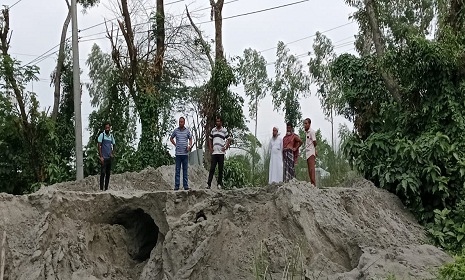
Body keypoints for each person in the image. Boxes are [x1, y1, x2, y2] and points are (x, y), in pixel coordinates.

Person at [207, 116, 231, 189]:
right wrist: (211, 148)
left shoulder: (224, 130)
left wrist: (226, 147)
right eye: (216, 121)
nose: (217, 123)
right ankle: (209, 184)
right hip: (214, 153)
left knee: (220, 169)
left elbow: (229, 139)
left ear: (221, 122)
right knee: (212, 169)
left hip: (221, 153)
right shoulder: (213, 130)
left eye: (218, 121)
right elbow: (210, 139)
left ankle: (219, 184)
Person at [170, 117, 193, 191]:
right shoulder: (176, 131)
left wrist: (189, 145)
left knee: (185, 170)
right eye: (179, 122)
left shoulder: (187, 131)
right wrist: (175, 144)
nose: (180, 123)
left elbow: (190, 138)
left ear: (184, 122)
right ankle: (177, 186)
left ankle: (185, 186)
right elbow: (171, 138)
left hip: (185, 154)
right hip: (178, 154)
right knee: (177, 170)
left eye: (182, 122)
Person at [98, 122, 116, 191]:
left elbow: (114, 145)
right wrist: (101, 156)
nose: (107, 129)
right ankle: (101, 189)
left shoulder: (111, 136)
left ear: (110, 128)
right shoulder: (102, 135)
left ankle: (106, 189)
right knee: (103, 173)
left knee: (108, 174)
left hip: (109, 158)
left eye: (108, 128)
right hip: (104, 158)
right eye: (106, 128)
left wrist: (112, 153)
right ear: (104, 128)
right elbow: (99, 146)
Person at [304, 118, 317, 186]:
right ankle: (311, 183)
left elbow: (314, 142)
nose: (305, 125)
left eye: (306, 123)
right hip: (307, 152)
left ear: (309, 124)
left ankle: (313, 184)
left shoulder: (312, 132)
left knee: (312, 169)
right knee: (309, 169)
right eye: (304, 123)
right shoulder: (306, 133)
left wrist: (315, 150)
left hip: (311, 152)